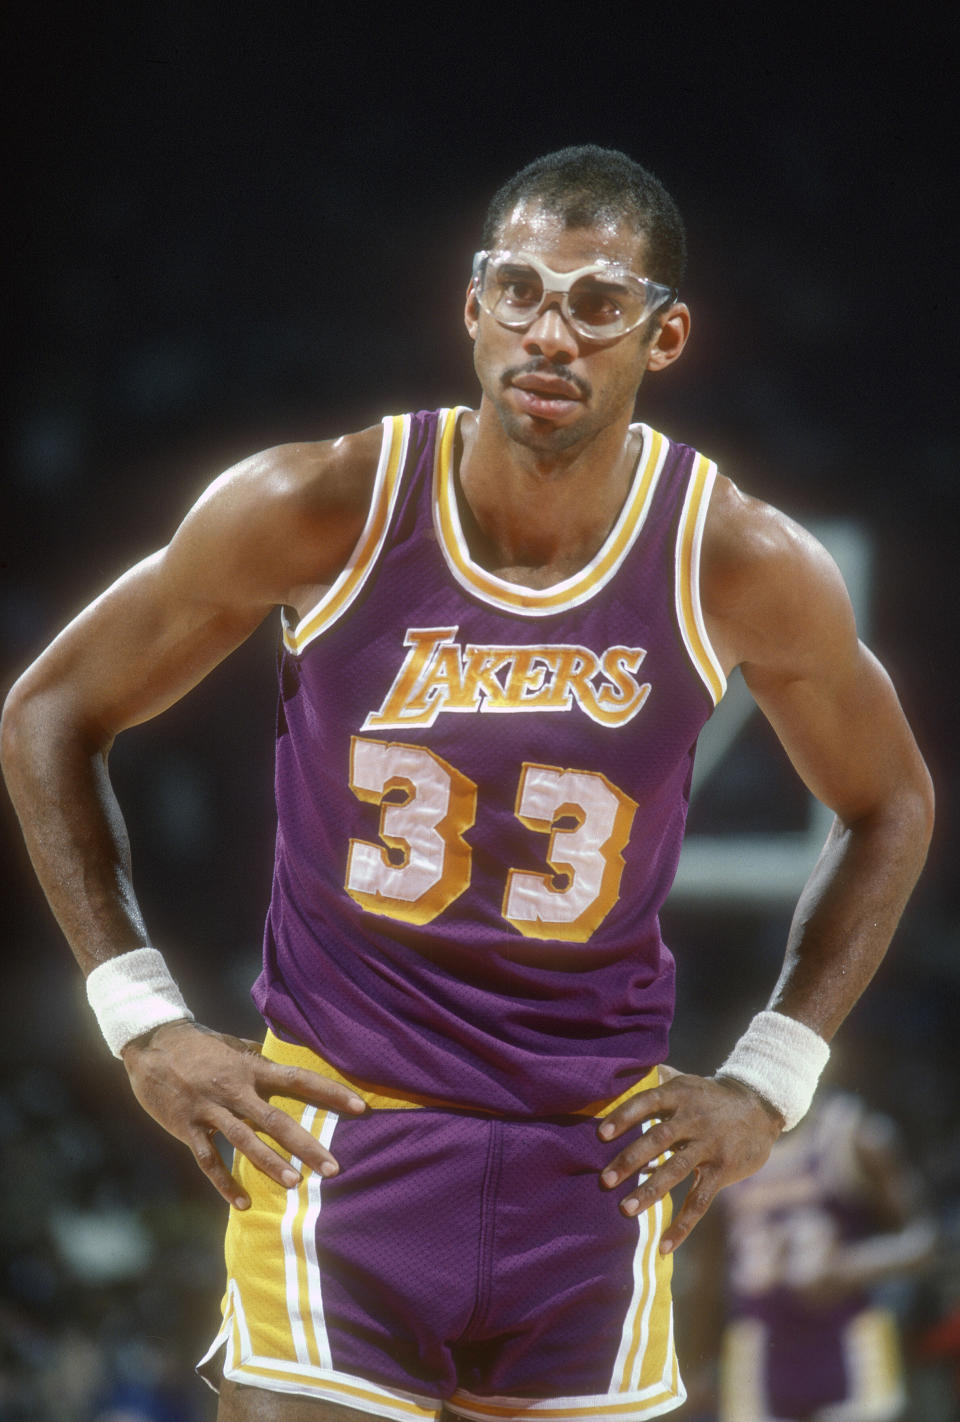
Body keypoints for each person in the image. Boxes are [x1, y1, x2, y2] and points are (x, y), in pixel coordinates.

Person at [0, 146, 934, 1422]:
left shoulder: (736, 558)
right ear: (471, 306)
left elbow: (892, 803)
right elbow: (51, 708)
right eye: (519, 290)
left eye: (598, 302)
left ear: (664, 337)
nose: (551, 331)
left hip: (595, 1156)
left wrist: (772, 1074)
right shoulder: (322, 501)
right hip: (344, 1125)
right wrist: (144, 1023)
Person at [715, 1088, 935, 1421]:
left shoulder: (857, 1133)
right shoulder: (723, 1144)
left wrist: (851, 1268)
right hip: (759, 1342)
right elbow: (706, 1271)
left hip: (846, 1334)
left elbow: (923, 1241)